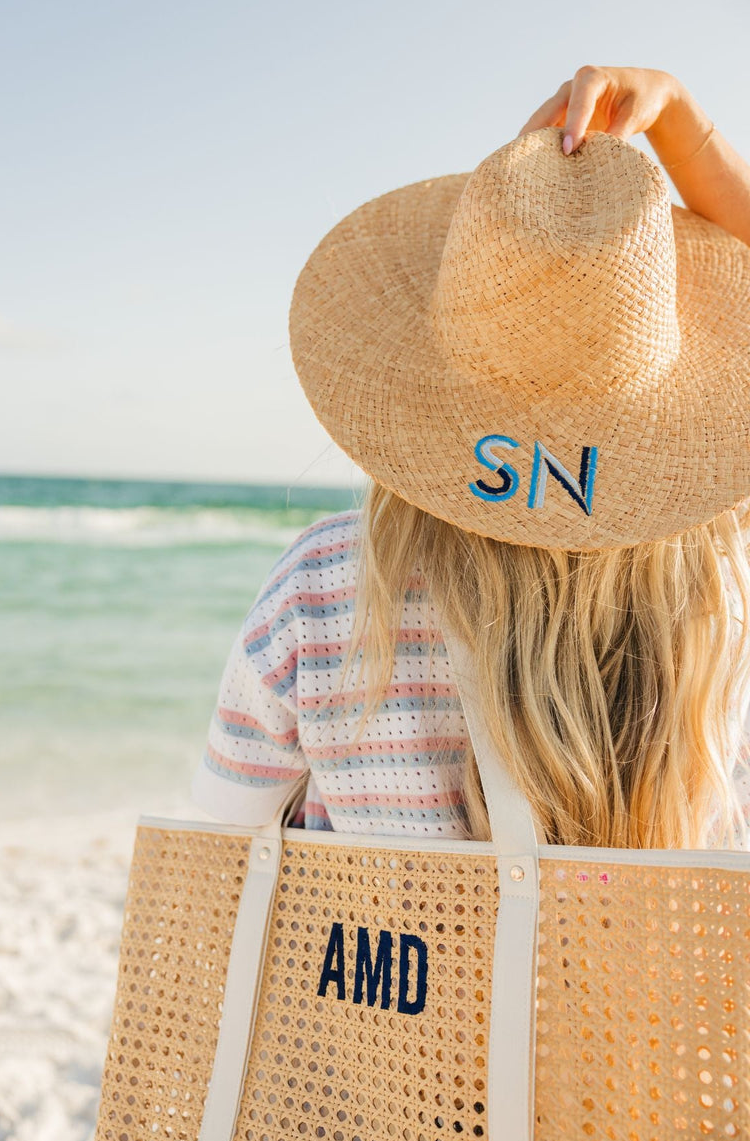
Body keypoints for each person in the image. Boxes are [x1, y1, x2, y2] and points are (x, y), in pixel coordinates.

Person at [192, 65, 750, 852]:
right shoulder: (722, 598)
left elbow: (222, 839)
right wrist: (684, 125)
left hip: (387, 939)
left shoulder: (323, 587)